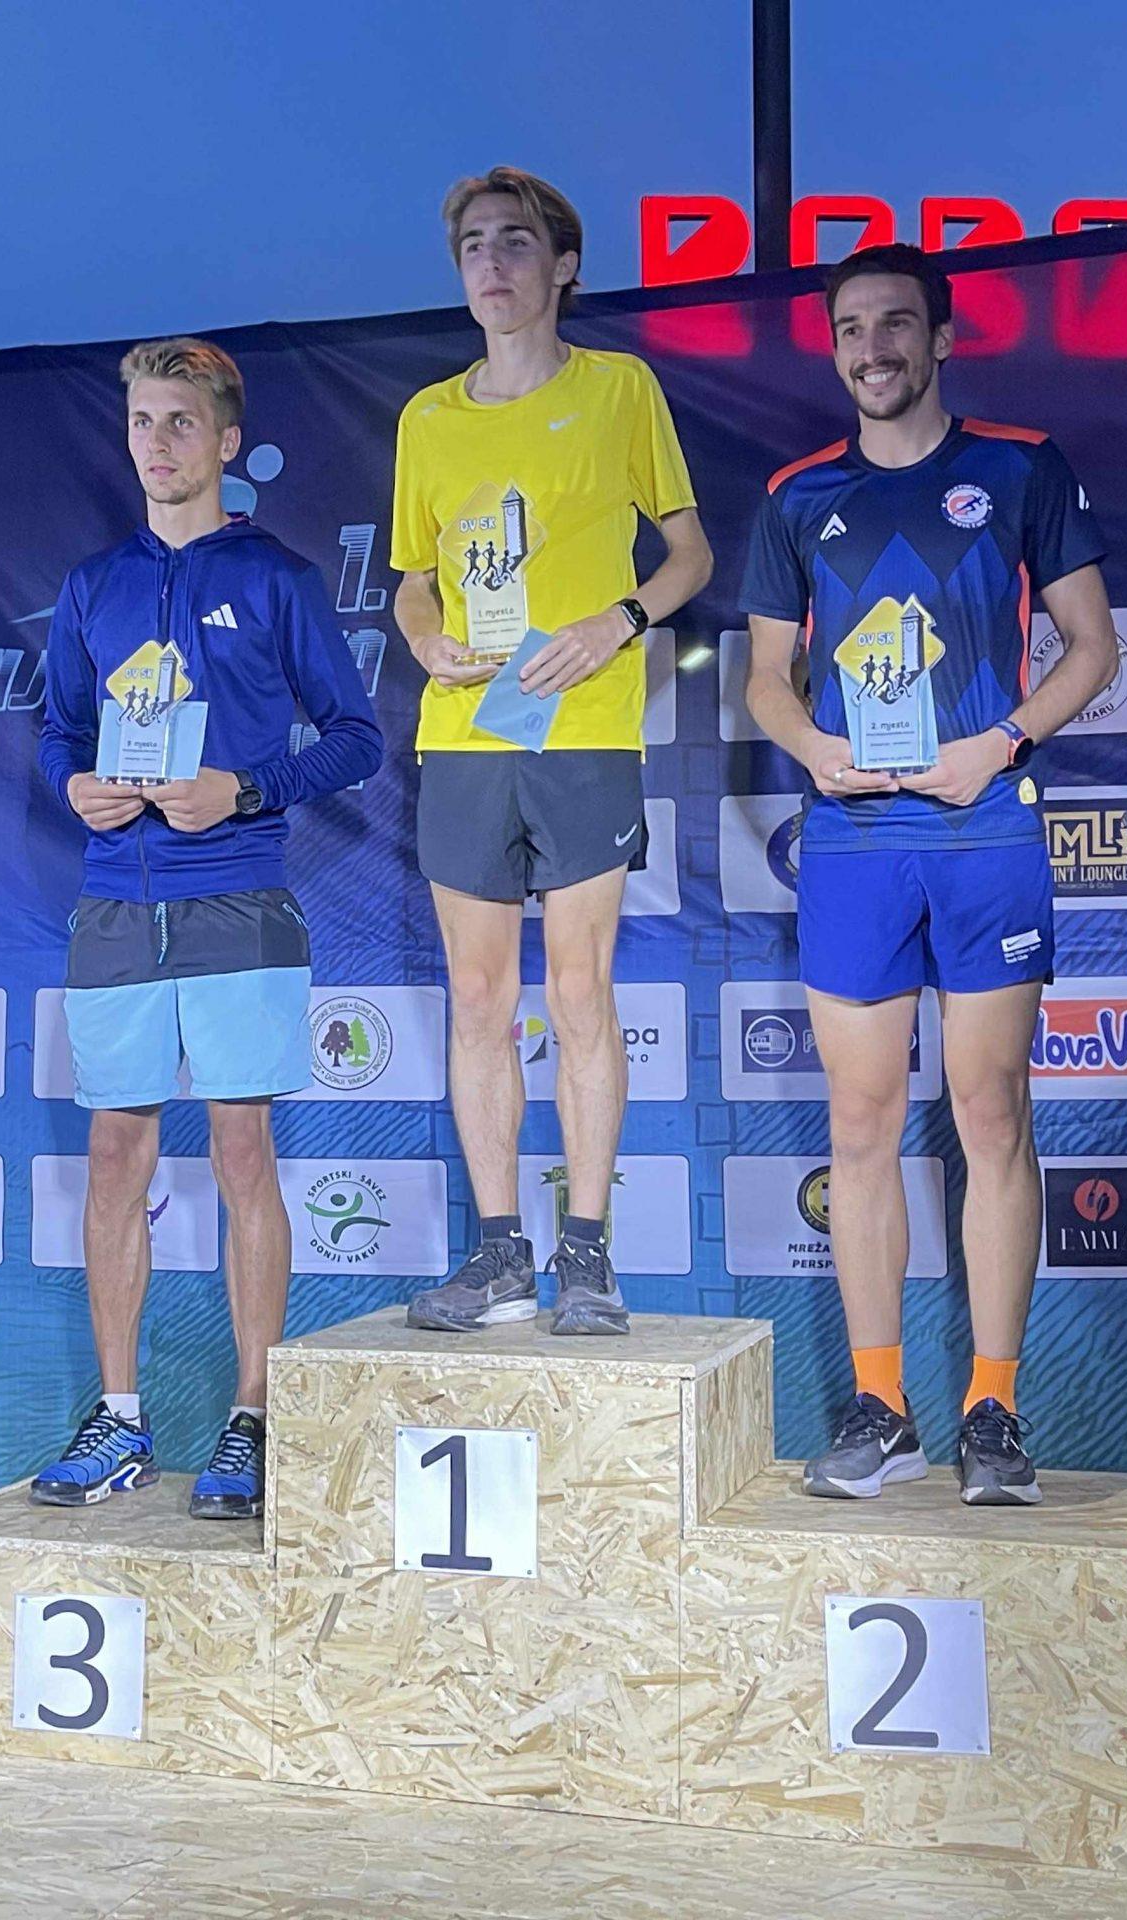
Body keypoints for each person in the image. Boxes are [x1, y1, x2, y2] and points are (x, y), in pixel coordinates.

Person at [740, 243, 1123, 1505]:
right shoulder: (796, 496)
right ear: (834, 347)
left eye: (897, 324)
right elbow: (764, 680)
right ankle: (882, 1408)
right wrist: (815, 752)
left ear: (941, 339)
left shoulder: (1018, 468)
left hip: (985, 831)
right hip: (854, 842)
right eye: (853, 327)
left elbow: (1091, 646)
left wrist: (999, 743)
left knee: (991, 1113)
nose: (874, 347)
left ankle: (993, 1411)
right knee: (858, 1127)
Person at [32, 337, 382, 1517]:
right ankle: (120, 1418)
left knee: (241, 1153)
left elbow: (356, 737)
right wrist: (74, 786)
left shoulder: (277, 579)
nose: (158, 441)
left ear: (227, 441)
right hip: (116, 901)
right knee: (113, 1159)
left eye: (180, 421)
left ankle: (253, 1420)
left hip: (237, 893)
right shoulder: (93, 585)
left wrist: (245, 788)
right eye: (142, 420)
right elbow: (58, 732)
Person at [390, 166, 712, 1336]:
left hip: (582, 730)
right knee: (478, 997)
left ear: (563, 265)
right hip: (466, 734)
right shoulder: (428, 418)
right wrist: (425, 639)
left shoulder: (620, 389)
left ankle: (587, 1254)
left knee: (580, 990)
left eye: (515, 241)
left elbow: (689, 556)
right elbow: (412, 583)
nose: (492, 262)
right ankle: (495, 1256)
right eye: (474, 243)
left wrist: (617, 620)